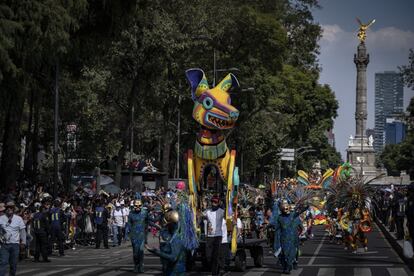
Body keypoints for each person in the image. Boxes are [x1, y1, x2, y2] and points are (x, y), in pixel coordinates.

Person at [146, 210, 186, 276]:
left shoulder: (176, 238)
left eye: (167, 225)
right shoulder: (174, 235)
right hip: (172, 270)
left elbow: (173, 258)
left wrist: (156, 251)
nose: (166, 227)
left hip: (175, 271)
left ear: (171, 224)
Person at [0, 201, 27, 276]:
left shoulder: (18, 219)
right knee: (3, 263)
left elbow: (22, 232)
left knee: (13, 264)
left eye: (11, 207)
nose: (9, 209)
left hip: (15, 245)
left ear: (14, 209)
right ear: (6, 209)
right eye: (8, 207)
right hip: (4, 245)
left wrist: (23, 242)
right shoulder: (1, 218)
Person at [204, 195, 224, 276]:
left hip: (218, 236)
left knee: (215, 256)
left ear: (218, 203)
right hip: (209, 236)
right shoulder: (207, 212)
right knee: (208, 256)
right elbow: (199, 216)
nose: (213, 203)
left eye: (215, 202)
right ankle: (217, 267)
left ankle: (214, 273)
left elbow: (229, 216)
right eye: (212, 202)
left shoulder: (221, 211)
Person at [128, 199, 150, 273]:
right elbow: (129, 224)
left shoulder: (145, 213)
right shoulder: (131, 214)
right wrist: (130, 234)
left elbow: (147, 222)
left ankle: (141, 266)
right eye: (136, 206)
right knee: (135, 252)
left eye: (139, 206)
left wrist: (145, 231)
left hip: (142, 235)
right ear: (133, 206)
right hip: (134, 236)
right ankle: (136, 265)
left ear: (141, 206)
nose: (138, 207)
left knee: (141, 251)